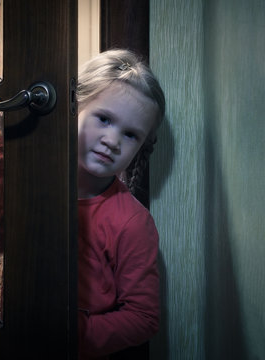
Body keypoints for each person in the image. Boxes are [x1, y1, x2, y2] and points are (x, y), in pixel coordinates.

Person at [76, 49, 166, 359]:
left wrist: (68, 336)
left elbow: (144, 317)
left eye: (130, 135)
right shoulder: (32, 188)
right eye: (104, 119)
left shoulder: (131, 221)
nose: (112, 141)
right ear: (75, 107)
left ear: (141, 148)